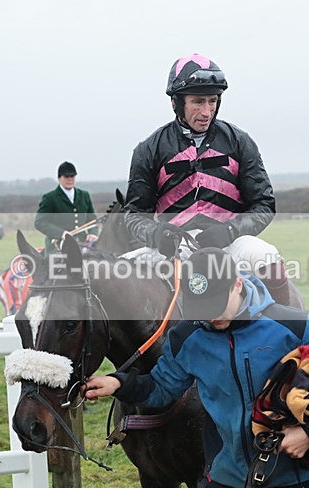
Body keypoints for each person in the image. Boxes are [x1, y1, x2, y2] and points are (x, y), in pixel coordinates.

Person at [84, 248, 309, 488]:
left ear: (238, 284)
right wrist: (120, 383)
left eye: (216, 303)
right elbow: (161, 386)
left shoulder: (294, 325)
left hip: (294, 487)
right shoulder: (187, 336)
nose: (211, 315)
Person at [123, 53, 297, 306]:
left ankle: (283, 328)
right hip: (174, 247)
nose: (207, 111)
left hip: (230, 242)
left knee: (267, 256)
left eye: (212, 101)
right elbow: (133, 215)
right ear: (176, 103)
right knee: (117, 270)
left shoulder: (240, 141)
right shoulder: (149, 149)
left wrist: (230, 230)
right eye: (198, 102)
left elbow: (264, 205)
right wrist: (156, 234)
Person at [34, 161, 98, 256]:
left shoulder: (84, 195)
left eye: (72, 176)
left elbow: (92, 219)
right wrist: (61, 233)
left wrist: (93, 233)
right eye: (66, 177)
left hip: (82, 243)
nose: (69, 179)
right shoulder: (50, 198)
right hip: (57, 245)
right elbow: (40, 222)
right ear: (59, 178)